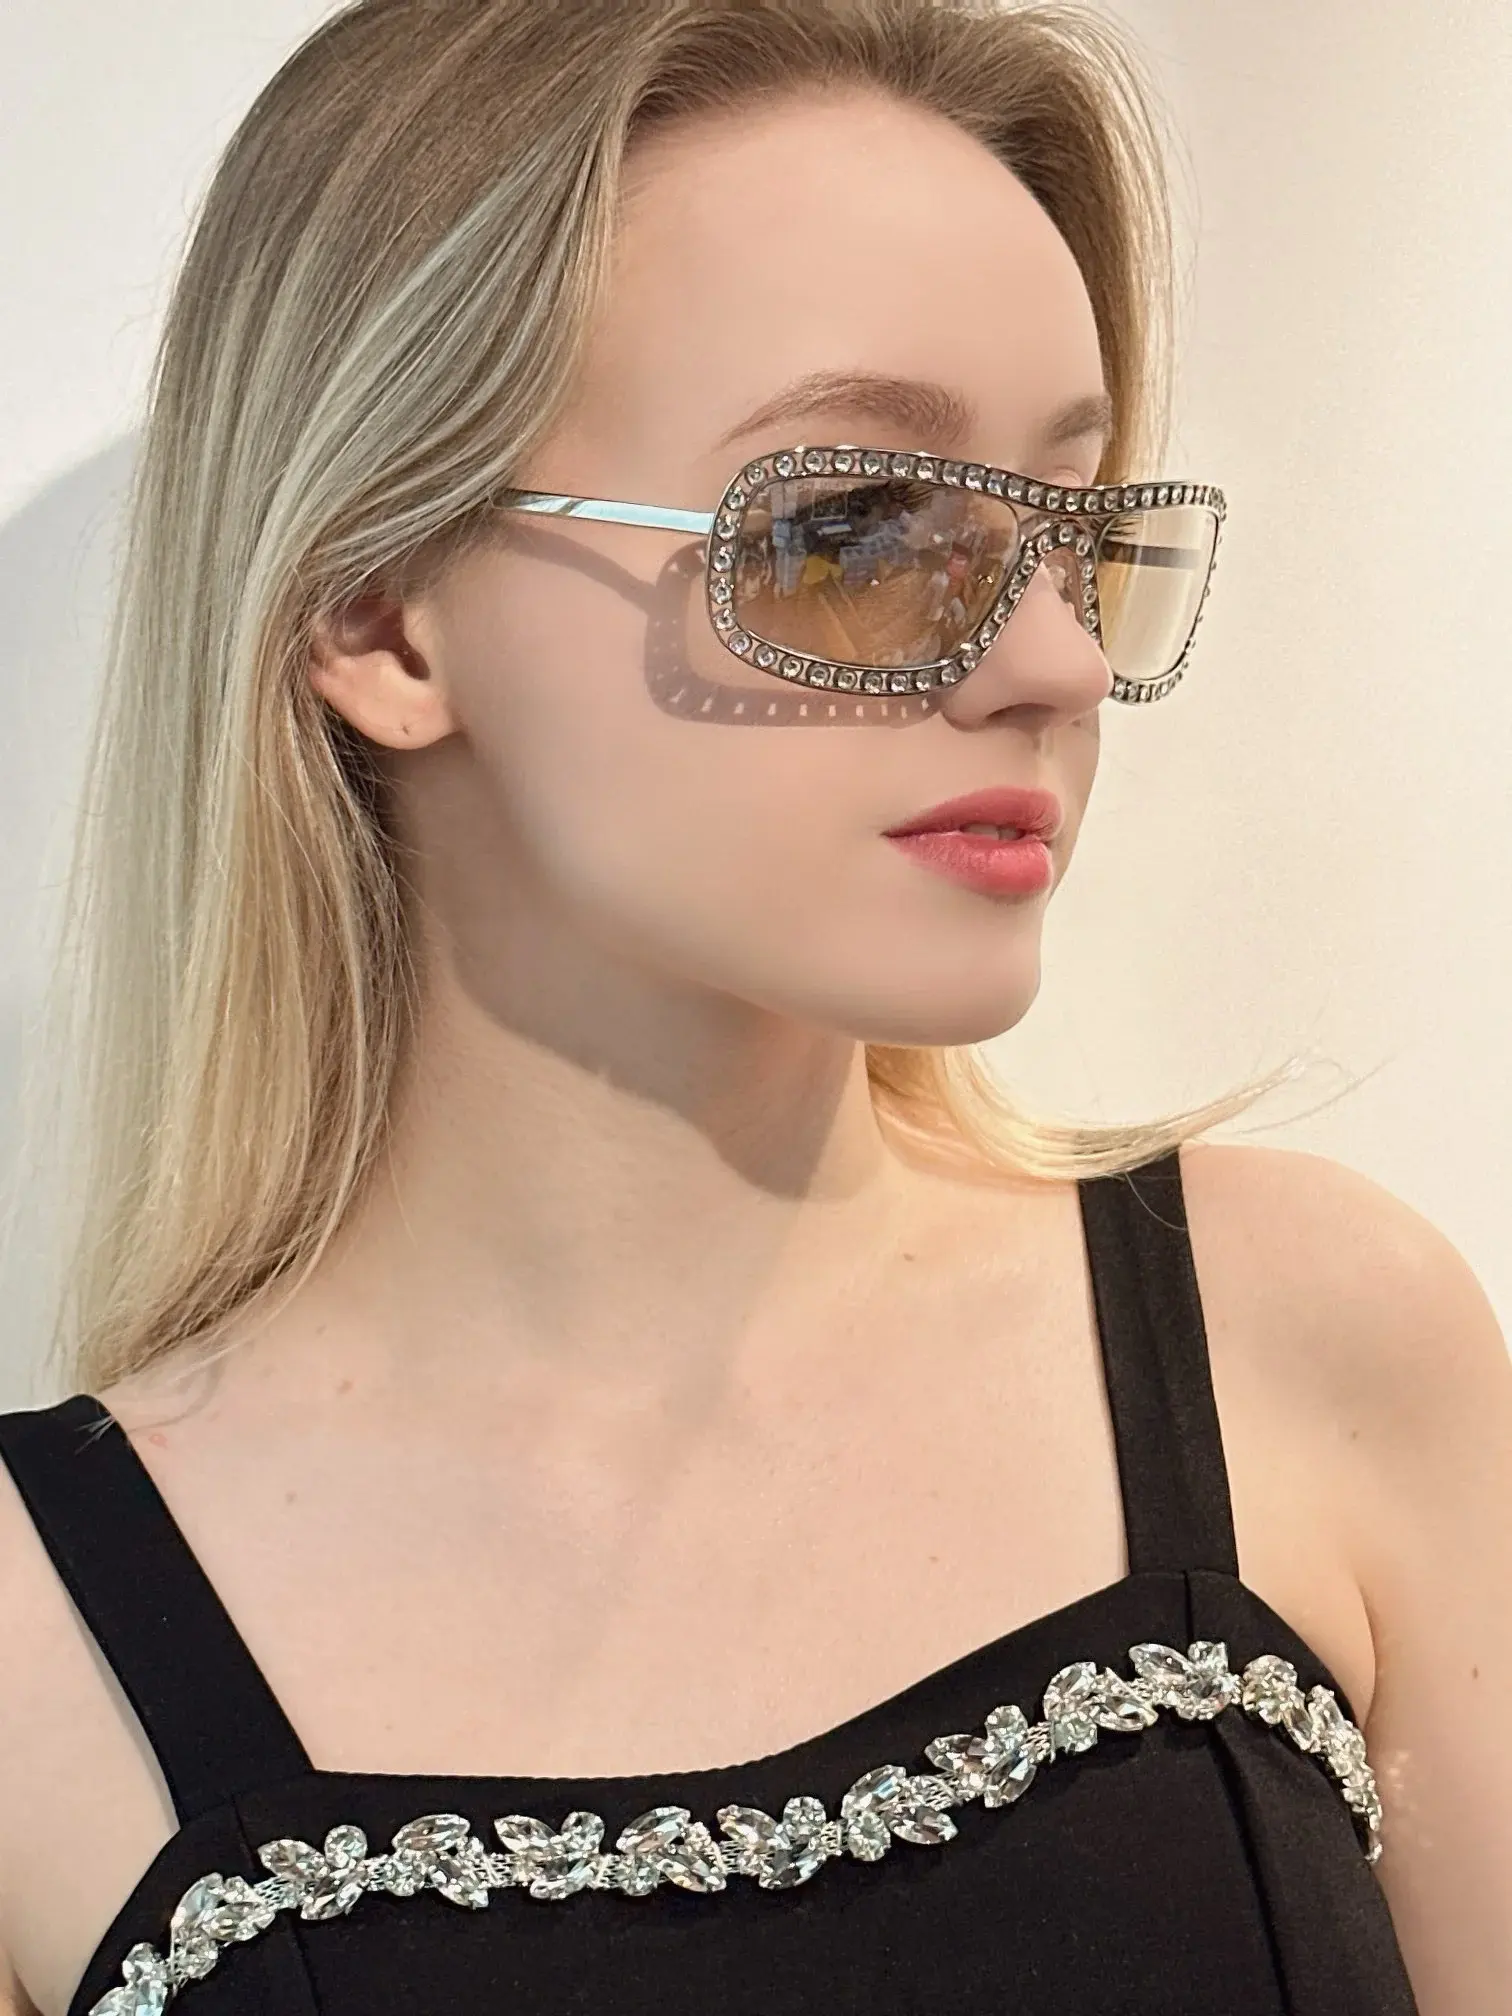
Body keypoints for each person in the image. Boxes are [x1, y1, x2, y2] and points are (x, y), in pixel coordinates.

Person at [1, 2, 1508, 2012]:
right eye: (855, 534)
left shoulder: (1305, 1342)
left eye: (1073, 533)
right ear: (378, 614)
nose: (1055, 663)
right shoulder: (37, 1643)